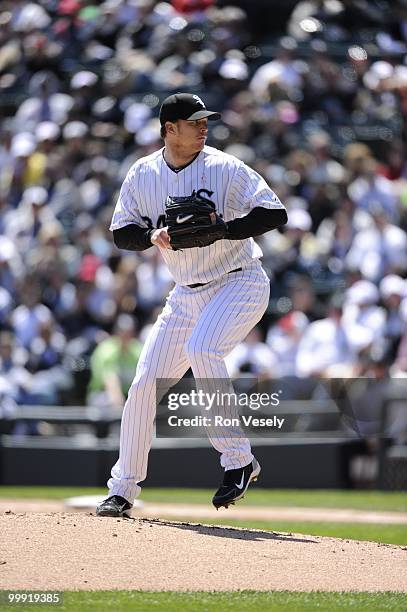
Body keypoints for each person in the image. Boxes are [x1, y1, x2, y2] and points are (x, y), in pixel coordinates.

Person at [96, 93, 287, 517]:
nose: (204, 126)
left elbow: (274, 213)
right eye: (193, 121)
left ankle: (239, 461)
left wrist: (224, 229)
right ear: (169, 129)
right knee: (145, 384)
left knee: (204, 349)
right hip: (185, 293)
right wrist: (151, 237)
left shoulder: (224, 167)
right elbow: (121, 231)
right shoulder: (143, 173)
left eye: (205, 120)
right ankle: (123, 488)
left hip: (239, 281)